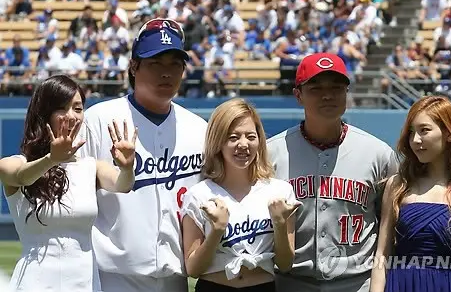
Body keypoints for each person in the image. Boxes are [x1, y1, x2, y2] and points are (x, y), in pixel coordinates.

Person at [78, 18, 208, 292]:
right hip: (111, 277)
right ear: (134, 66)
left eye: (175, 64)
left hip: (176, 278)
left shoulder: (199, 129)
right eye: (155, 63)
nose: (166, 73)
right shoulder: (99, 120)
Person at [266, 52, 399, 292]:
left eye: (337, 87)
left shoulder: (378, 154)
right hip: (289, 283)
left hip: (358, 283)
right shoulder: (271, 153)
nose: (327, 95)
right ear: (298, 95)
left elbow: (391, 228)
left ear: (347, 93)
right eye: (315, 88)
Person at [0, 75, 137, 291]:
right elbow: (21, 177)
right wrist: (52, 159)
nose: (71, 116)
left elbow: (123, 184)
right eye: (62, 108)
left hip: (85, 284)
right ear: (44, 113)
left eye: (78, 109)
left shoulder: (91, 167)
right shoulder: (15, 164)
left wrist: (128, 167)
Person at [370, 95, 451, 292]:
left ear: (449, 134)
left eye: (424, 131)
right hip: (401, 285)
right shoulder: (398, 184)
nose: (415, 140)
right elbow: (382, 254)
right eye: (411, 132)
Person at [181, 98, 301, 292]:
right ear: (218, 142)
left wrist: (279, 224)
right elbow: (193, 269)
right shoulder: (199, 194)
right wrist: (217, 230)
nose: (243, 144)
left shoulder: (280, 191)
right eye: (233, 137)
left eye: (251, 137)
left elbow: (285, 264)